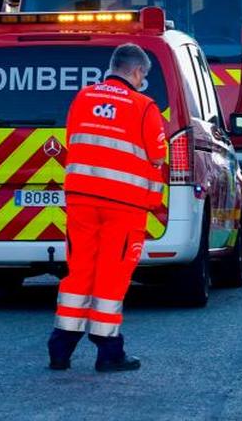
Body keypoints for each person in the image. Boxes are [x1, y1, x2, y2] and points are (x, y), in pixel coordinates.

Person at [48, 44, 168, 373]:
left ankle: (61, 348)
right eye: (144, 74)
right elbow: (157, 156)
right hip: (124, 205)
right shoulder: (144, 106)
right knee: (112, 276)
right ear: (137, 72)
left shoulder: (83, 98)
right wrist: (154, 203)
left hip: (81, 201)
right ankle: (109, 350)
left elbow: (75, 139)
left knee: (79, 270)